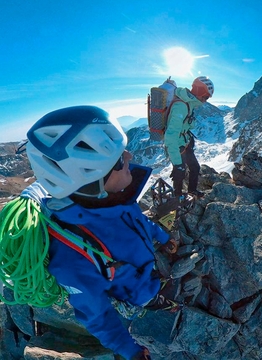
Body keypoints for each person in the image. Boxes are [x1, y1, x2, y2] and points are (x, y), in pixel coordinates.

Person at [24, 105, 179, 360]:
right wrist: (131, 350)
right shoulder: (72, 254)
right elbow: (96, 315)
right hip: (136, 290)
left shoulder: (114, 198)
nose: (129, 156)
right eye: (119, 160)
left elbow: (137, 221)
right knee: (151, 300)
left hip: (144, 266)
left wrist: (162, 237)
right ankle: (155, 303)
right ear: (90, 182)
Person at [164, 76, 214, 197]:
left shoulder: (189, 103)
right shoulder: (181, 106)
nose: (206, 100)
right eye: (206, 97)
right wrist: (176, 164)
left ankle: (191, 191)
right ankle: (177, 199)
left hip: (184, 143)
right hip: (177, 146)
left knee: (194, 168)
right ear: (200, 92)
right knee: (179, 172)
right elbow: (170, 137)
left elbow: (185, 125)